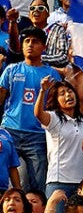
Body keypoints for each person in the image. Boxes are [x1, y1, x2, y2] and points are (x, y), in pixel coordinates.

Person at [0, 28, 60, 193]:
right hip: (9, 131)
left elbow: (56, 105)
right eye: (26, 41)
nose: (30, 45)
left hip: (38, 135)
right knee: (4, 180)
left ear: (44, 47)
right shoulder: (11, 70)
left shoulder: (52, 74)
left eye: (35, 41)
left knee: (38, 184)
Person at [34, 79, 83, 213]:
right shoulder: (54, 118)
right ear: (56, 100)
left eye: (70, 91)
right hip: (59, 182)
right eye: (62, 93)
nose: (68, 95)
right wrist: (42, 91)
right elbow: (38, 114)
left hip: (82, 184)